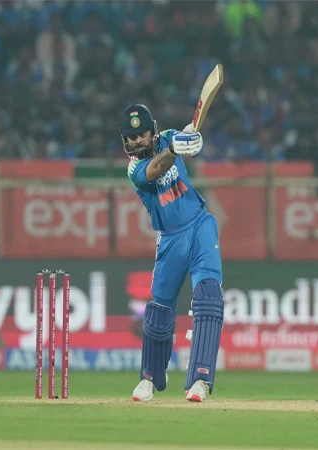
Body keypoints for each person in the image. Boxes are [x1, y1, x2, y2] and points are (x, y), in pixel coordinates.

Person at [122, 104, 223, 403]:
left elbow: (189, 141)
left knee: (208, 297)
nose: (138, 140)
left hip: (200, 225)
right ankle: (150, 378)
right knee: (159, 313)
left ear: (152, 130)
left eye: (142, 134)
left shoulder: (168, 136)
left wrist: (192, 141)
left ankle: (200, 380)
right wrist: (175, 150)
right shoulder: (134, 170)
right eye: (132, 137)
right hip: (169, 239)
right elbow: (157, 168)